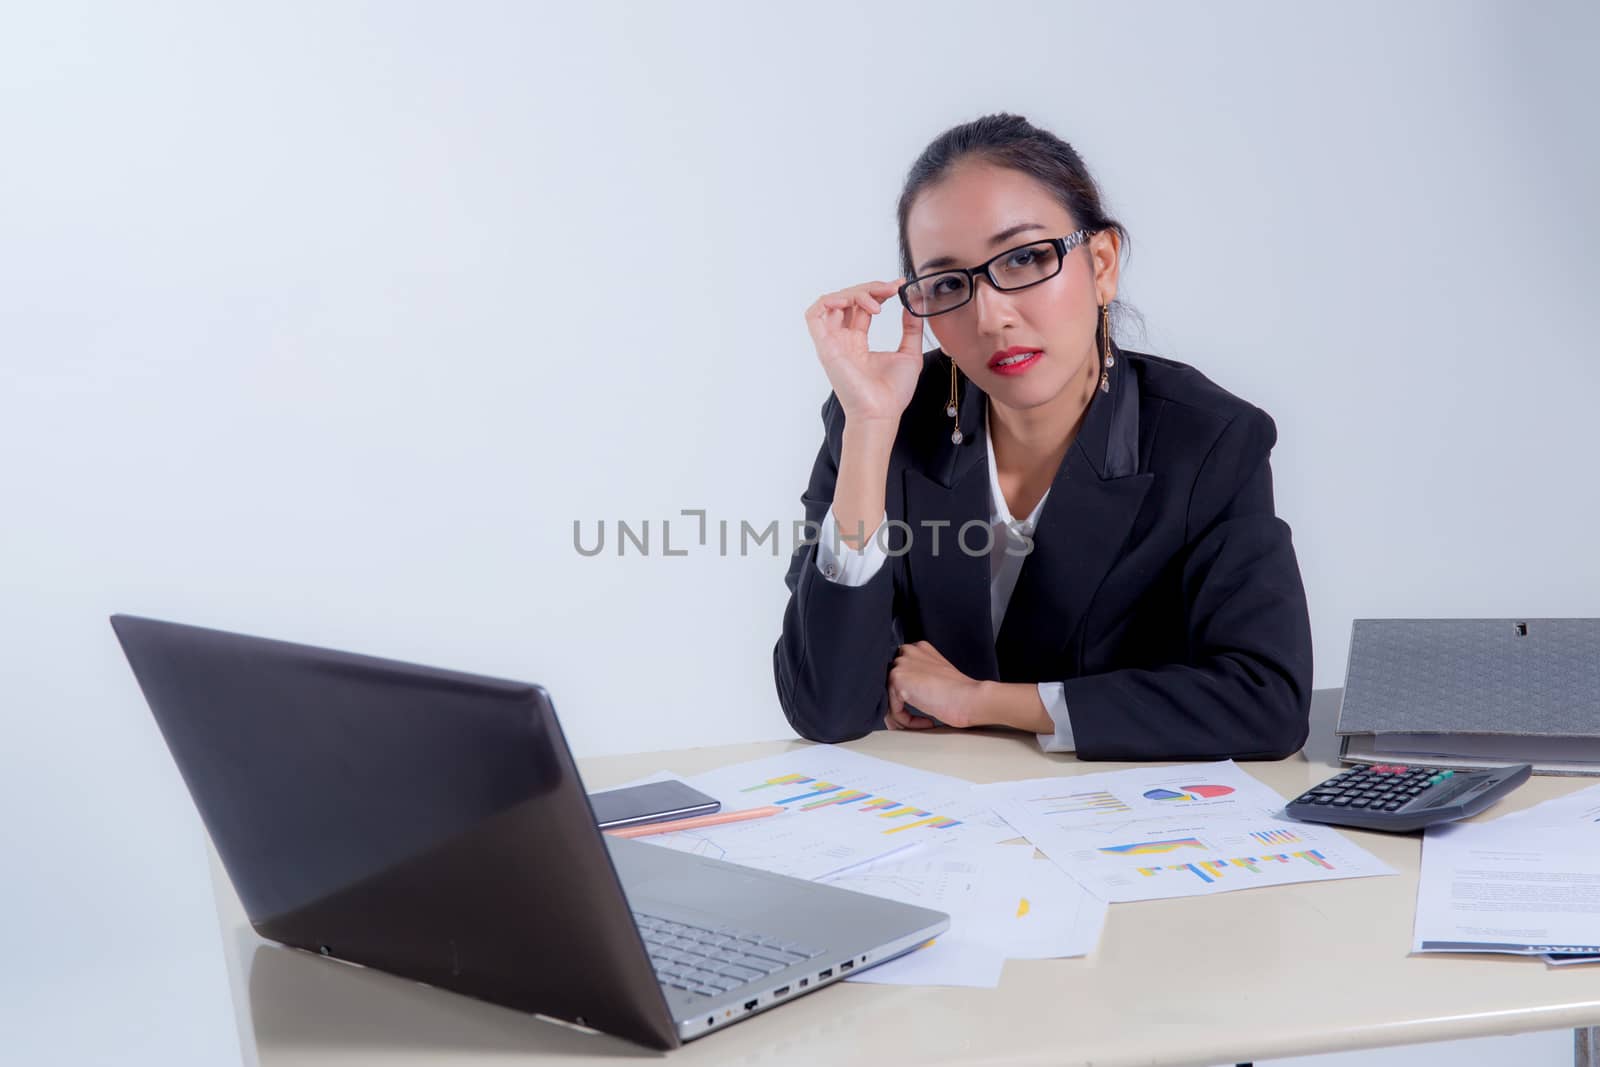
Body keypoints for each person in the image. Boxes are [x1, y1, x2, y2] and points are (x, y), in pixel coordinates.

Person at [771, 112, 1314, 761]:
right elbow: (824, 707)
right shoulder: (883, 420)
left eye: (1026, 257)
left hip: (1122, 833)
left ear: (1103, 263)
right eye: (947, 283)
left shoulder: (1206, 441)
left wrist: (983, 700)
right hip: (942, 832)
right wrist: (868, 429)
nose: (992, 315)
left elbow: (1266, 701)